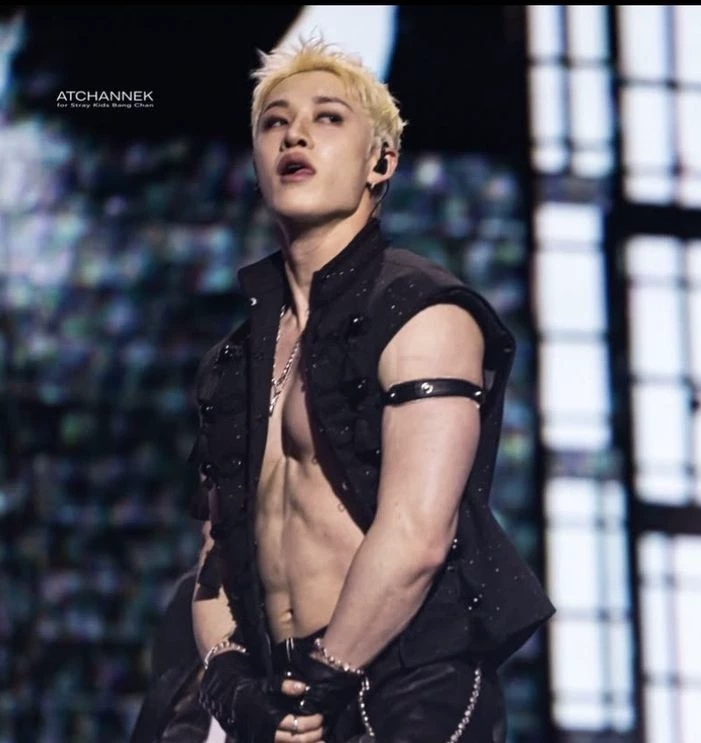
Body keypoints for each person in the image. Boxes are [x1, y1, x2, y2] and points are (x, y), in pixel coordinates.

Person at [189, 37, 555, 743]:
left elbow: (417, 533)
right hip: (287, 697)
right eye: (274, 122)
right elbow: (215, 557)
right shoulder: (234, 360)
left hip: (407, 684)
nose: (295, 135)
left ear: (380, 161)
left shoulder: (423, 312)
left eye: (328, 118)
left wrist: (327, 676)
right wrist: (230, 682)